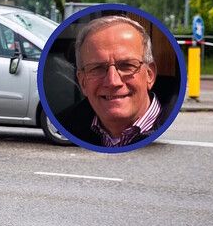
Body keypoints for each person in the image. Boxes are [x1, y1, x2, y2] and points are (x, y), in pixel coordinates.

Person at [57, 15, 170, 148]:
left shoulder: (172, 127)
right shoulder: (68, 125)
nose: (113, 81)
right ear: (83, 82)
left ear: (149, 75)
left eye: (127, 65)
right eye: (98, 68)